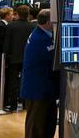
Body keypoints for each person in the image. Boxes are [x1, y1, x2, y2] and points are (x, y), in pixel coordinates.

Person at [21, 9, 59, 138]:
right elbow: (54, 59)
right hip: (38, 90)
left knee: (47, 124)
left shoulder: (41, 34)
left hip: (44, 89)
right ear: (48, 22)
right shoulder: (40, 39)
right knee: (37, 127)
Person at [4, 5, 34, 111]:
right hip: (28, 58)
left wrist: (6, 56)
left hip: (14, 58)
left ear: (18, 13)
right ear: (28, 14)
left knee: (13, 82)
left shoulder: (11, 26)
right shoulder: (33, 27)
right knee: (27, 81)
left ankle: (13, 105)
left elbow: (7, 44)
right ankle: (26, 105)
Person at [0, 7, 14, 109]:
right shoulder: (1, 26)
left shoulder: (4, 25)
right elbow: (1, 43)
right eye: (11, 14)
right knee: (0, 79)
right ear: (7, 15)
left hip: (1, 56)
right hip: (1, 57)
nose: (12, 16)